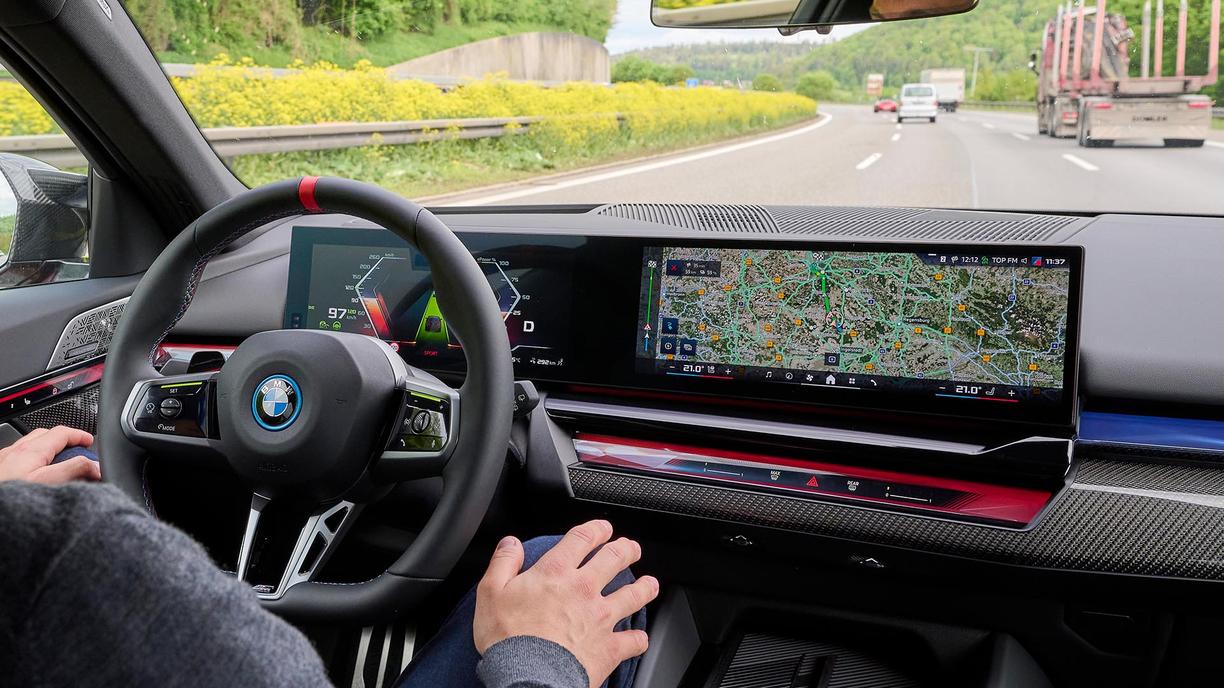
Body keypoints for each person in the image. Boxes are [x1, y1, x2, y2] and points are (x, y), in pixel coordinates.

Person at [0, 426, 657, 688]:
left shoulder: (32, 537)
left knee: (73, 462)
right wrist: (542, 661)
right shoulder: (65, 549)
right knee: (569, 569)